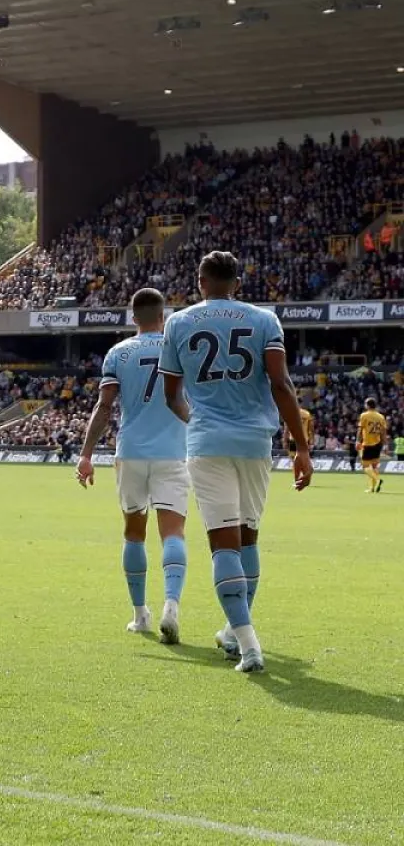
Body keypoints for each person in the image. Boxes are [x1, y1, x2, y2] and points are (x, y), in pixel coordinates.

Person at [159, 251, 311, 675]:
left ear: (201, 281)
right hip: (254, 444)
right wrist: (300, 447)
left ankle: (246, 645)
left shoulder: (179, 322)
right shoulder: (265, 320)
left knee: (222, 544)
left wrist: (202, 424)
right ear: (237, 283)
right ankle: (234, 631)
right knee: (247, 541)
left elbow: (173, 395)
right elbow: (280, 384)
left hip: (207, 445)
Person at [77, 288, 188, 645]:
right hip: (173, 451)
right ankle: (171, 603)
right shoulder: (178, 348)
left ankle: (141, 614)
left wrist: (86, 454)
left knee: (134, 532)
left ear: (132, 317)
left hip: (132, 452)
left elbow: (105, 406)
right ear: (163, 315)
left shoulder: (118, 353)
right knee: (173, 532)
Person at [357, 397, 388, 494]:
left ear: (367, 405)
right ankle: (372, 488)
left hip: (367, 443)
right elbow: (383, 432)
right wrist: (385, 444)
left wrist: (358, 441)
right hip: (378, 443)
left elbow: (360, 429)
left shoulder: (364, 415)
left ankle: (378, 480)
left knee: (365, 466)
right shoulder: (381, 416)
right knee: (374, 467)